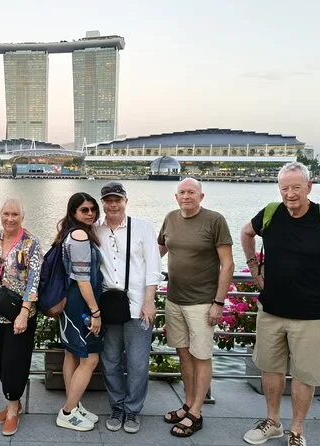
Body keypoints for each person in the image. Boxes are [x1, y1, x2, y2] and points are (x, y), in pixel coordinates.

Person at [241, 162, 320, 446]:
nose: (290, 194)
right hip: (271, 311)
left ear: (309, 187)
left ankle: (297, 431)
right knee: (270, 369)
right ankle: (273, 422)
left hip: (313, 317)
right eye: (285, 188)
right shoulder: (270, 214)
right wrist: (254, 267)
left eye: (296, 187)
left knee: (305, 376)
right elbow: (246, 233)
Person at [158, 178, 234, 438]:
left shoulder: (215, 220)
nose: (186, 196)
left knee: (201, 356)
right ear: (176, 196)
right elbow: (157, 251)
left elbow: (227, 264)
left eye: (192, 192)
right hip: (174, 299)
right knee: (183, 354)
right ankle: (188, 405)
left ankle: (196, 413)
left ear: (201, 196)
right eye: (182, 192)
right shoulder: (170, 218)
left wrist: (218, 302)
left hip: (202, 302)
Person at [95, 181, 163, 434]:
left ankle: (133, 409)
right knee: (110, 361)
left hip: (138, 306)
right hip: (109, 307)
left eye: (117, 200)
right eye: (108, 200)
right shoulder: (95, 229)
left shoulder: (143, 227)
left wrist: (149, 301)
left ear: (126, 201)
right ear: (103, 203)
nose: (113, 205)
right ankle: (117, 406)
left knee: (137, 363)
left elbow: (153, 267)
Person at [0, 198, 41, 436]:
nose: (10, 218)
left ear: (22, 217)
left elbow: (34, 280)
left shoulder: (31, 242)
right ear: (0, 215)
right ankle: (12, 400)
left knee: (14, 361)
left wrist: (24, 312)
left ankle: (13, 408)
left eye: (15, 214)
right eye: (6, 213)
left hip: (19, 314)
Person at [54, 193, 104, 432]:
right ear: (73, 212)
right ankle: (67, 412)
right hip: (82, 306)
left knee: (71, 355)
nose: (90, 213)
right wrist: (95, 311)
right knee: (90, 358)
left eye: (93, 209)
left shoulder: (69, 233)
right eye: (84, 209)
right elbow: (83, 279)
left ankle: (74, 406)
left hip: (70, 304)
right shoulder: (80, 236)